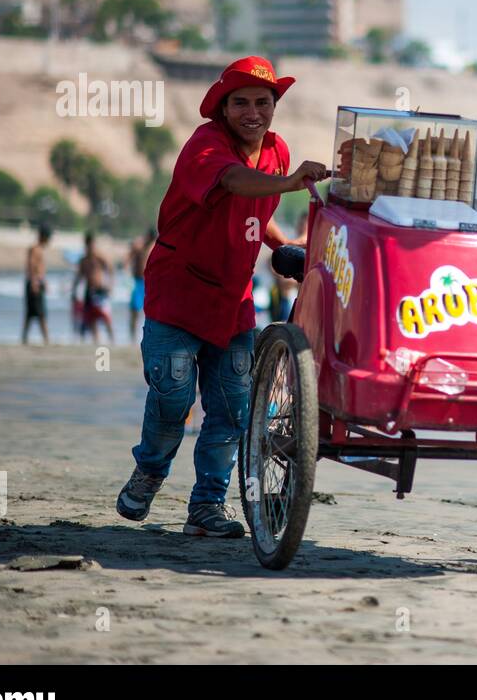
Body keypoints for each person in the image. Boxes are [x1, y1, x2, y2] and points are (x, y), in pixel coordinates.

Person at [114, 56, 326, 538]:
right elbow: (232, 183)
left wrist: (284, 246)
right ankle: (150, 469)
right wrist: (293, 184)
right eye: (242, 103)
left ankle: (206, 507)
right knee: (173, 396)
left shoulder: (276, 152)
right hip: (179, 293)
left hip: (234, 301)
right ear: (224, 107)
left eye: (263, 102)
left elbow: (255, 206)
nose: (254, 111)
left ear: (274, 106)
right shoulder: (205, 146)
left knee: (232, 410)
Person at [72, 232, 114, 344]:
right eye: (88, 245)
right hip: (88, 291)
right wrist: (73, 289)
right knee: (90, 318)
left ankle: (112, 340)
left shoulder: (99, 257)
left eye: (92, 245)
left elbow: (110, 269)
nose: (90, 247)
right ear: (85, 245)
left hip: (100, 290)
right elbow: (79, 277)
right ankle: (96, 341)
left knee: (105, 317)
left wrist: (110, 285)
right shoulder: (83, 260)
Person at [22, 225, 52, 344]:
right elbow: (31, 265)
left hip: (37, 282)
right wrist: (35, 281)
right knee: (40, 313)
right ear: (44, 237)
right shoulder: (35, 249)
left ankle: (25, 338)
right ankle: (46, 339)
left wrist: (43, 282)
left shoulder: (38, 249)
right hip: (35, 283)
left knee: (31, 314)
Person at [128, 228, 156, 343]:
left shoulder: (154, 247)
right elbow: (130, 254)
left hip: (148, 282)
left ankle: (146, 338)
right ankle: (132, 338)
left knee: (149, 312)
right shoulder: (141, 246)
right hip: (139, 281)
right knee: (135, 310)